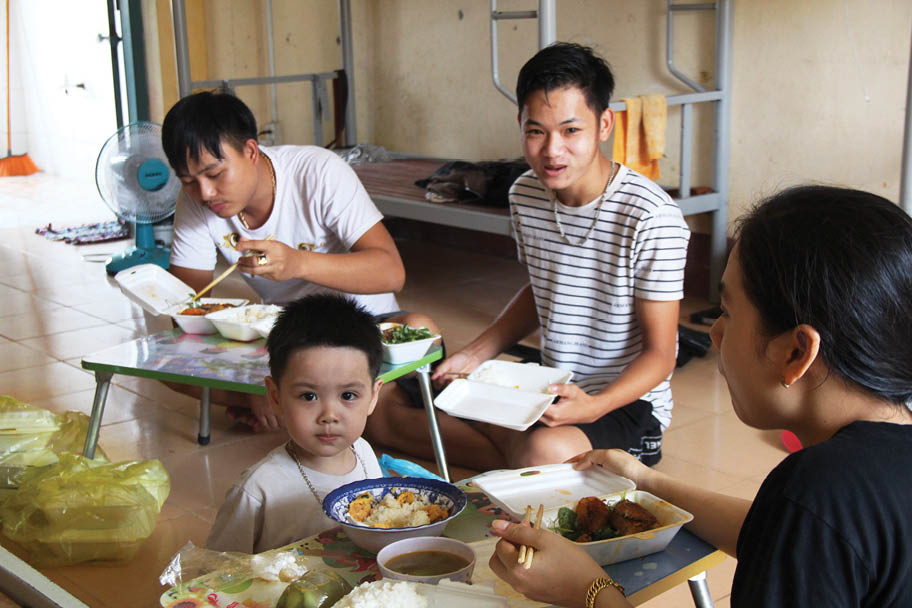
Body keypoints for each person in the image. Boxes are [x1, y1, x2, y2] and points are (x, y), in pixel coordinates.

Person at [488, 186, 912, 607]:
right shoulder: (853, 485)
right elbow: (780, 530)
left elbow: (805, 523)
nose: (714, 331)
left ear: (797, 352)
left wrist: (590, 592)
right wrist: (645, 481)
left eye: (727, 311)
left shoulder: (820, 489)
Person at [365, 42, 690, 470]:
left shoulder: (650, 217)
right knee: (383, 413)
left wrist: (593, 407)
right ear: (520, 124)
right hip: (547, 386)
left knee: (543, 450)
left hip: (624, 403)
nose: (552, 151)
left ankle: (534, 452)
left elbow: (661, 355)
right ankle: (535, 455)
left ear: (604, 124)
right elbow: (542, 288)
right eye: (536, 131)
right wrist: (476, 354)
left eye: (571, 131)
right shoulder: (525, 194)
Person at [161, 91, 435, 431]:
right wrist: (254, 382)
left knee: (420, 330)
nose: (205, 193)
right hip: (288, 340)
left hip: (367, 324)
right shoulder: (196, 203)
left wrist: (298, 263)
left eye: (215, 174)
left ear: (250, 151)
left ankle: (293, 400)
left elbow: (391, 272)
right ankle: (284, 397)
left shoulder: (317, 172)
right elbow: (188, 311)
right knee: (168, 364)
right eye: (189, 182)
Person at [206, 293, 385, 554]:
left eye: (348, 396)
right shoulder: (259, 489)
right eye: (308, 396)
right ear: (275, 397)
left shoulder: (366, 454)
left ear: (373, 396)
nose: (329, 415)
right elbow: (215, 572)